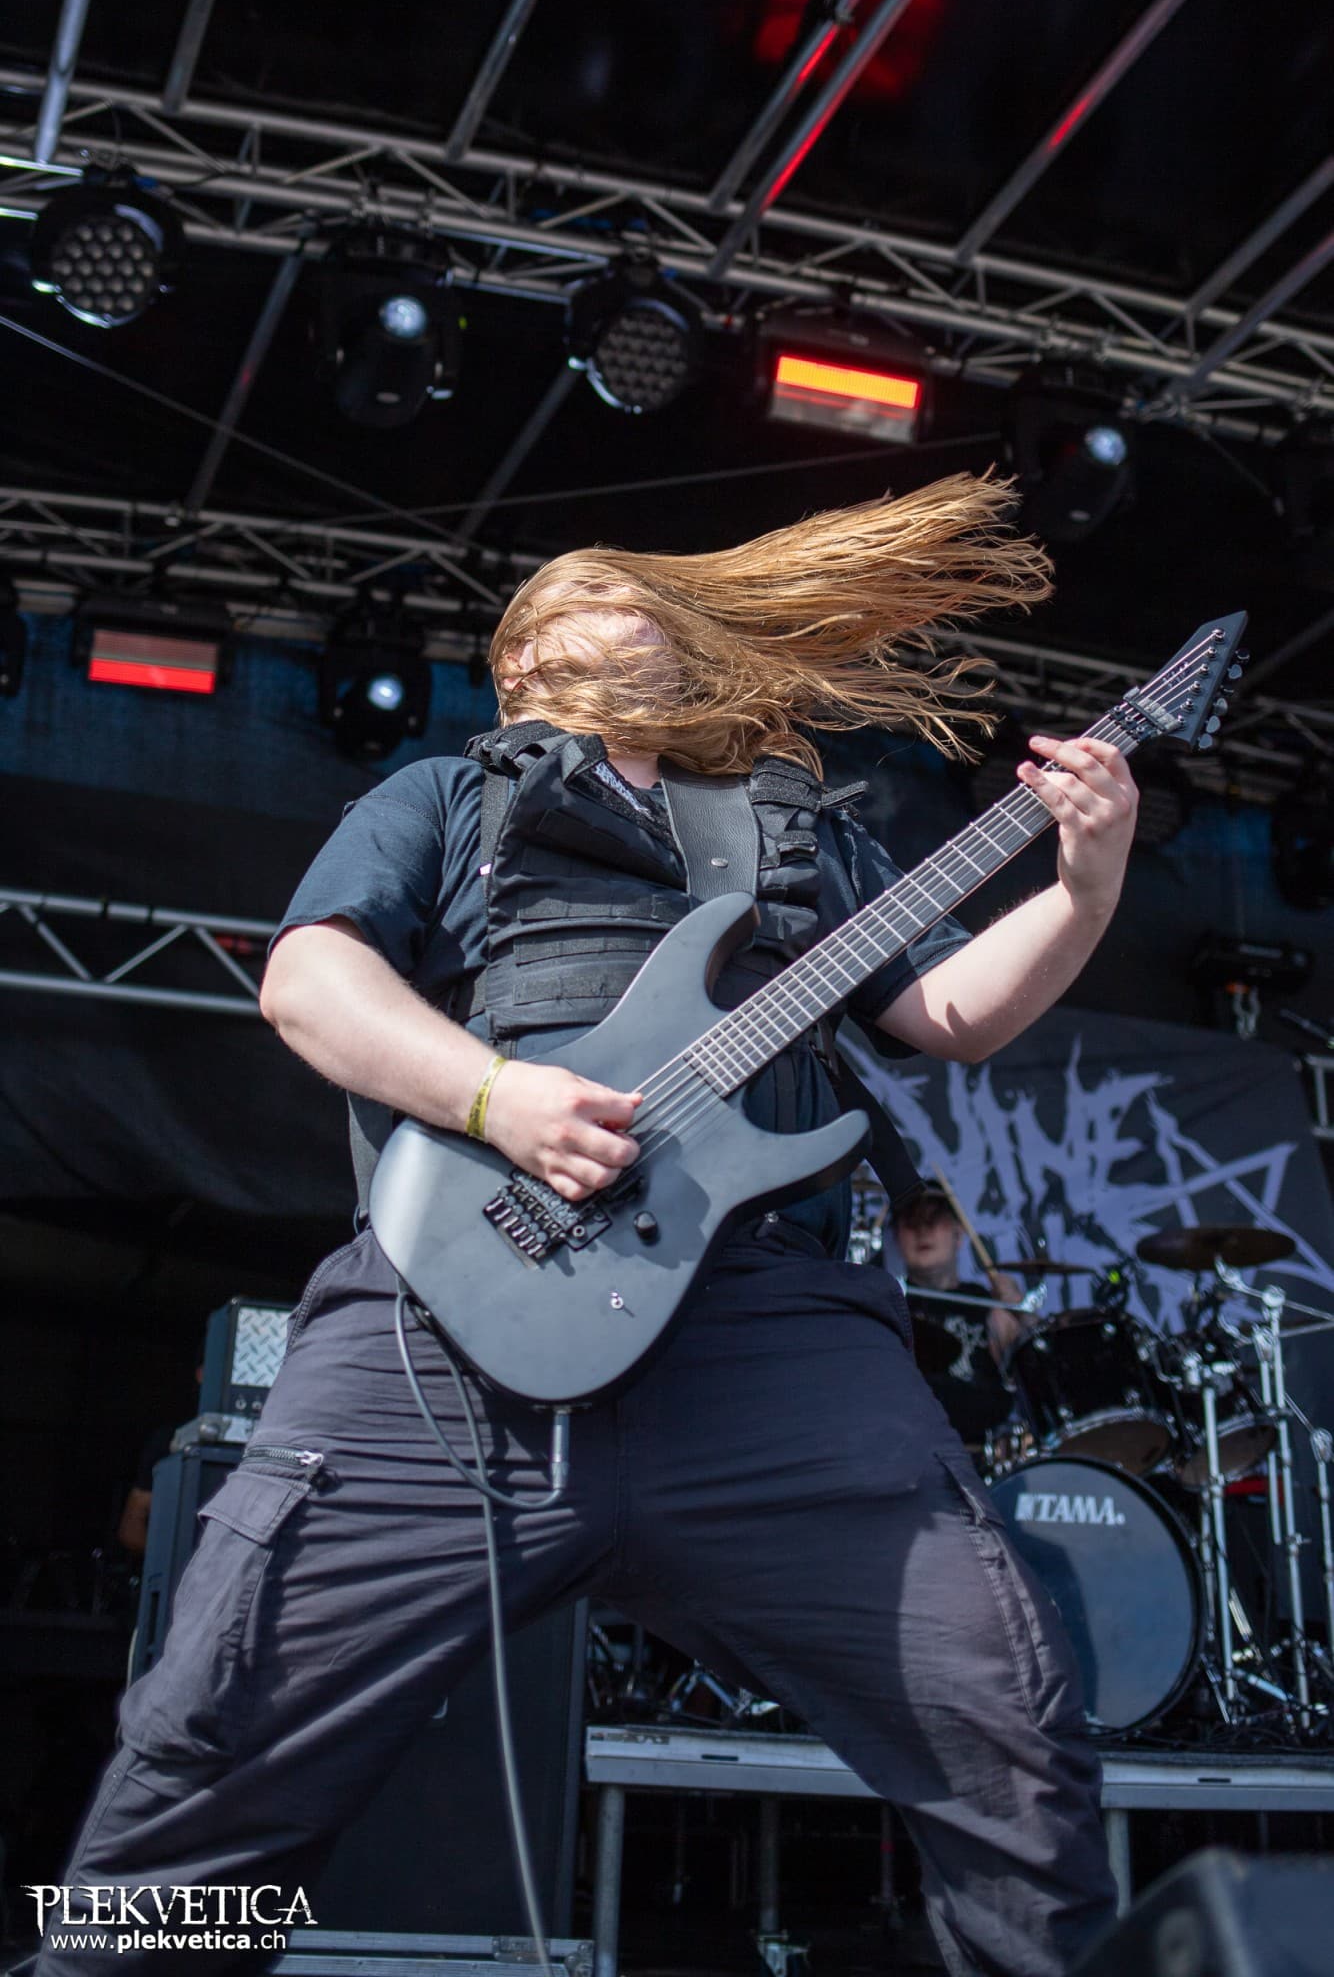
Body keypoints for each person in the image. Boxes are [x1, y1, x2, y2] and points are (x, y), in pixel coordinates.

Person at [37, 474, 1134, 1977]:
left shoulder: (792, 827)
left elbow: (949, 1012)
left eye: (624, 600)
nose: (601, 622)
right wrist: (495, 1098)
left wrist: (1086, 877)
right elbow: (308, 981)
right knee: (209, 1750)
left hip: (764, 1344)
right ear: (516, 665)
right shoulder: (444, 797)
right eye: (566, 609)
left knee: (1006, 1727)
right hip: (445, 1333)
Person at [889, 1182, 1027, 1451]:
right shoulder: (889, 1305)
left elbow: (1036, 1377)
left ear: (959, 1233)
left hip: (990, 1449)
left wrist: (1023, 1319)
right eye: (911, 1221)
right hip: (914, 1449)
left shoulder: (987, 1303)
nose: (923, 1230)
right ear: (896, 1236)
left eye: (934, 1219)